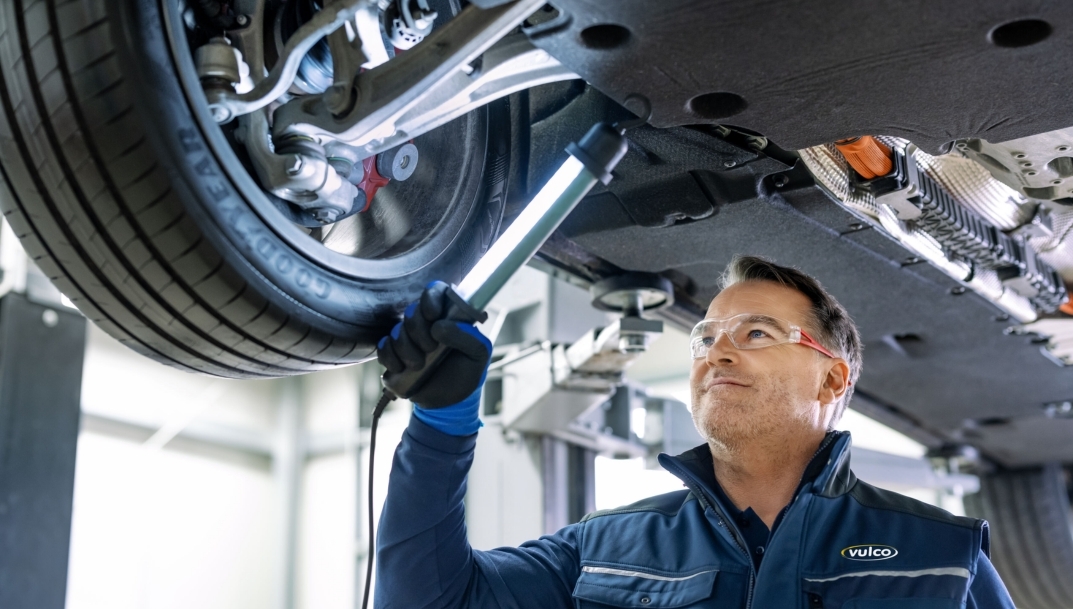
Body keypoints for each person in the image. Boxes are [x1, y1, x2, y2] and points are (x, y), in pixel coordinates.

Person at [374, 255, 1015, 608]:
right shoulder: (602, 550)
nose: (716, 354)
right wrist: (441, 421)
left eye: (756, 333)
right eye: (704, 338)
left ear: (832, 380)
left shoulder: (940, 559)